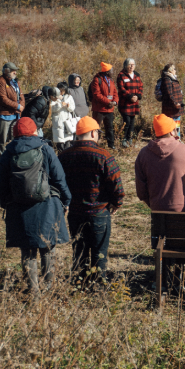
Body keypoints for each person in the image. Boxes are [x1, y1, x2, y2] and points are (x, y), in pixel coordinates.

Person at [0, 117, 72, 297]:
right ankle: (49, 288)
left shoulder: (8, 152)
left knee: (27, 250)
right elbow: (59, 177)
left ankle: (33, 291)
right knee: (48, 247)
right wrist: (67, 199)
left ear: (15, 132)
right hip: (46, 204)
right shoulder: (45, 148)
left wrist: (7, 203)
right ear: (34, 131)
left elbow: (1, 183)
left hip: (19, 207)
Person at [58, 117, 124, 284]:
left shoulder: (64, 156)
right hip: (99, 211)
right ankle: (98, 286)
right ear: (94, 133)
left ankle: (79, 284)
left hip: (75, 212)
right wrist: (116, 202)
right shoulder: (103, 155)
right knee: (99, 252)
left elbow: (58, 183)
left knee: (78, 250)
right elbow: (115, 182)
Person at [135, 114, 185, 214]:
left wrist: (152, 203)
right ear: (172, 131)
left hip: (156, 207)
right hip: (182, 208)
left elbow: (141, 189)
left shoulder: (143, 153)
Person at [0, 63, 23, 156]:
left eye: (15, 70)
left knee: (13, 138)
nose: (15, 72)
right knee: (2, 140)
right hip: (5, 116)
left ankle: (12, 157)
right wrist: (17, 106)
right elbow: (3, 99)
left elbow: (21, 95)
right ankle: (0, 159)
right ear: (6, 71)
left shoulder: (15, 82)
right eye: (12, 70)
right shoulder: (0, 82)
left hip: (15, 115)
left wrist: (21, 105)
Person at [90, 62, 118, 149]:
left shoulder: (111, 80)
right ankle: (94, 145)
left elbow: (115, 93)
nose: (113, 72)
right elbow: (96, 94)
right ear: (107, 72)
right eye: (111, 71)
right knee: (96, 128)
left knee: (109, 128)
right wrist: (108, 102)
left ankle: (111, 145)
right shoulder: (97, 80)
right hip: (99, 109)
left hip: (109, 109)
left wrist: (115, 102)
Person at [116, 58, 144, 147]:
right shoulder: (121, 75)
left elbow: (141, 87)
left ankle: (130, 139)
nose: (131, 66)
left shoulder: (137, 75)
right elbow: (121, 88)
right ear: (125, 66)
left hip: (134, 103)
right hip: (125, 103)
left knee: (132, 122)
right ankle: (123, 139)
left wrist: (138, 96)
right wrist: (130, 96)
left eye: (133, 64)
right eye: (129, 64)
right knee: (126, 122)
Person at [50, 83, 77, 151]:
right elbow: (52, 109)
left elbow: (72, 108)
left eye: (63, 90)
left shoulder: (69, 97)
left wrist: (68, 106)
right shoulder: (54, 97)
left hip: (67, 121)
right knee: (60, 141)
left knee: (68, 141)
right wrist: (60, 104)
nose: (61, 92)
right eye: (60, 90)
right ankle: (60, 156)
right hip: (58, 121)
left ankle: (67, 157)